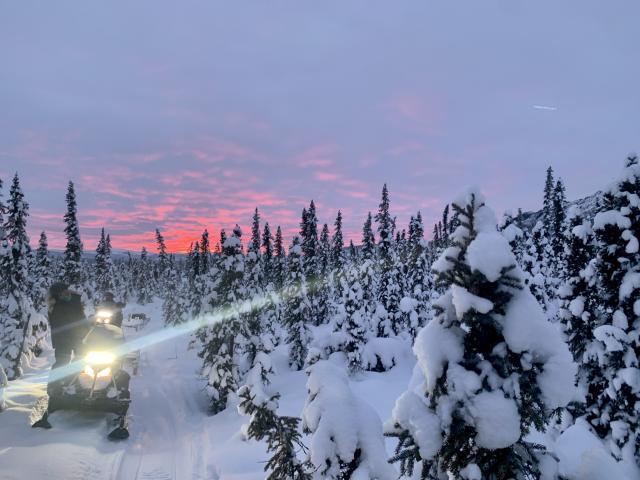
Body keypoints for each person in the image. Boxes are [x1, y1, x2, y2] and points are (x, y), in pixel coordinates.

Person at [47, 282, 89, 394]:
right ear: (57, 295)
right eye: (62, 292)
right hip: (62, 339)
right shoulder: (54, 306)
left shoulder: (74, 301)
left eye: (65, 290)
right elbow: (56, 323)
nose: (65, 293)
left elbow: (82, 318)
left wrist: (86, 330)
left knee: (81, 359)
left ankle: (77, 382)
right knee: (62, 362)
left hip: (77, 337)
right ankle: (53, 386)